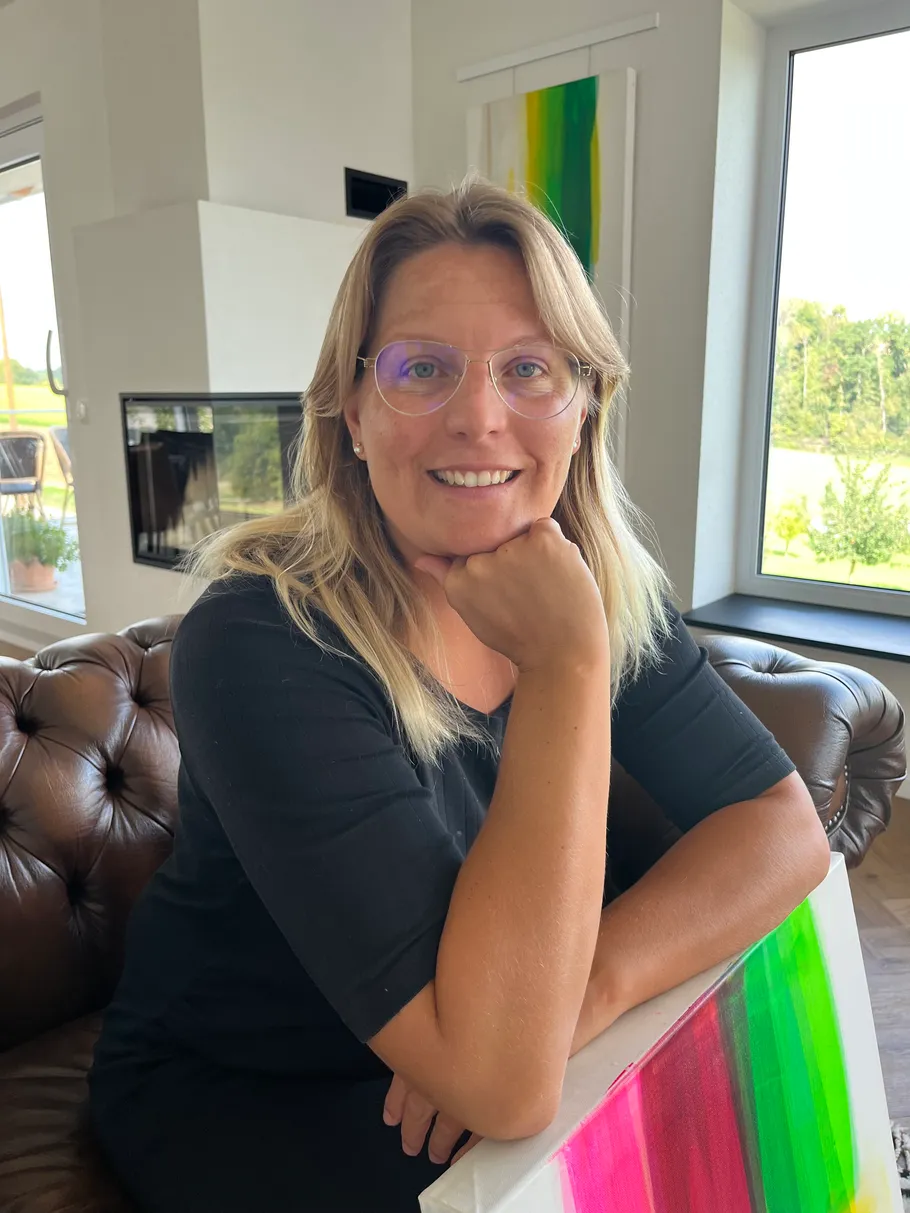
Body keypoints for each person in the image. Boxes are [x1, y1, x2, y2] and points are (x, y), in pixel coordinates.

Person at [88, 179, 830, 1212]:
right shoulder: (261, 636)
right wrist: (567, 666)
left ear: (582, 408)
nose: (479, 418)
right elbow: (502, 1082)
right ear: (351, 412)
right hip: (259, 1085)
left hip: (483, 1035)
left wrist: (592, 987)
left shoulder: (603, 592)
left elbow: (785, 829)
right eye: (421, 368)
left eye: (529, 368)